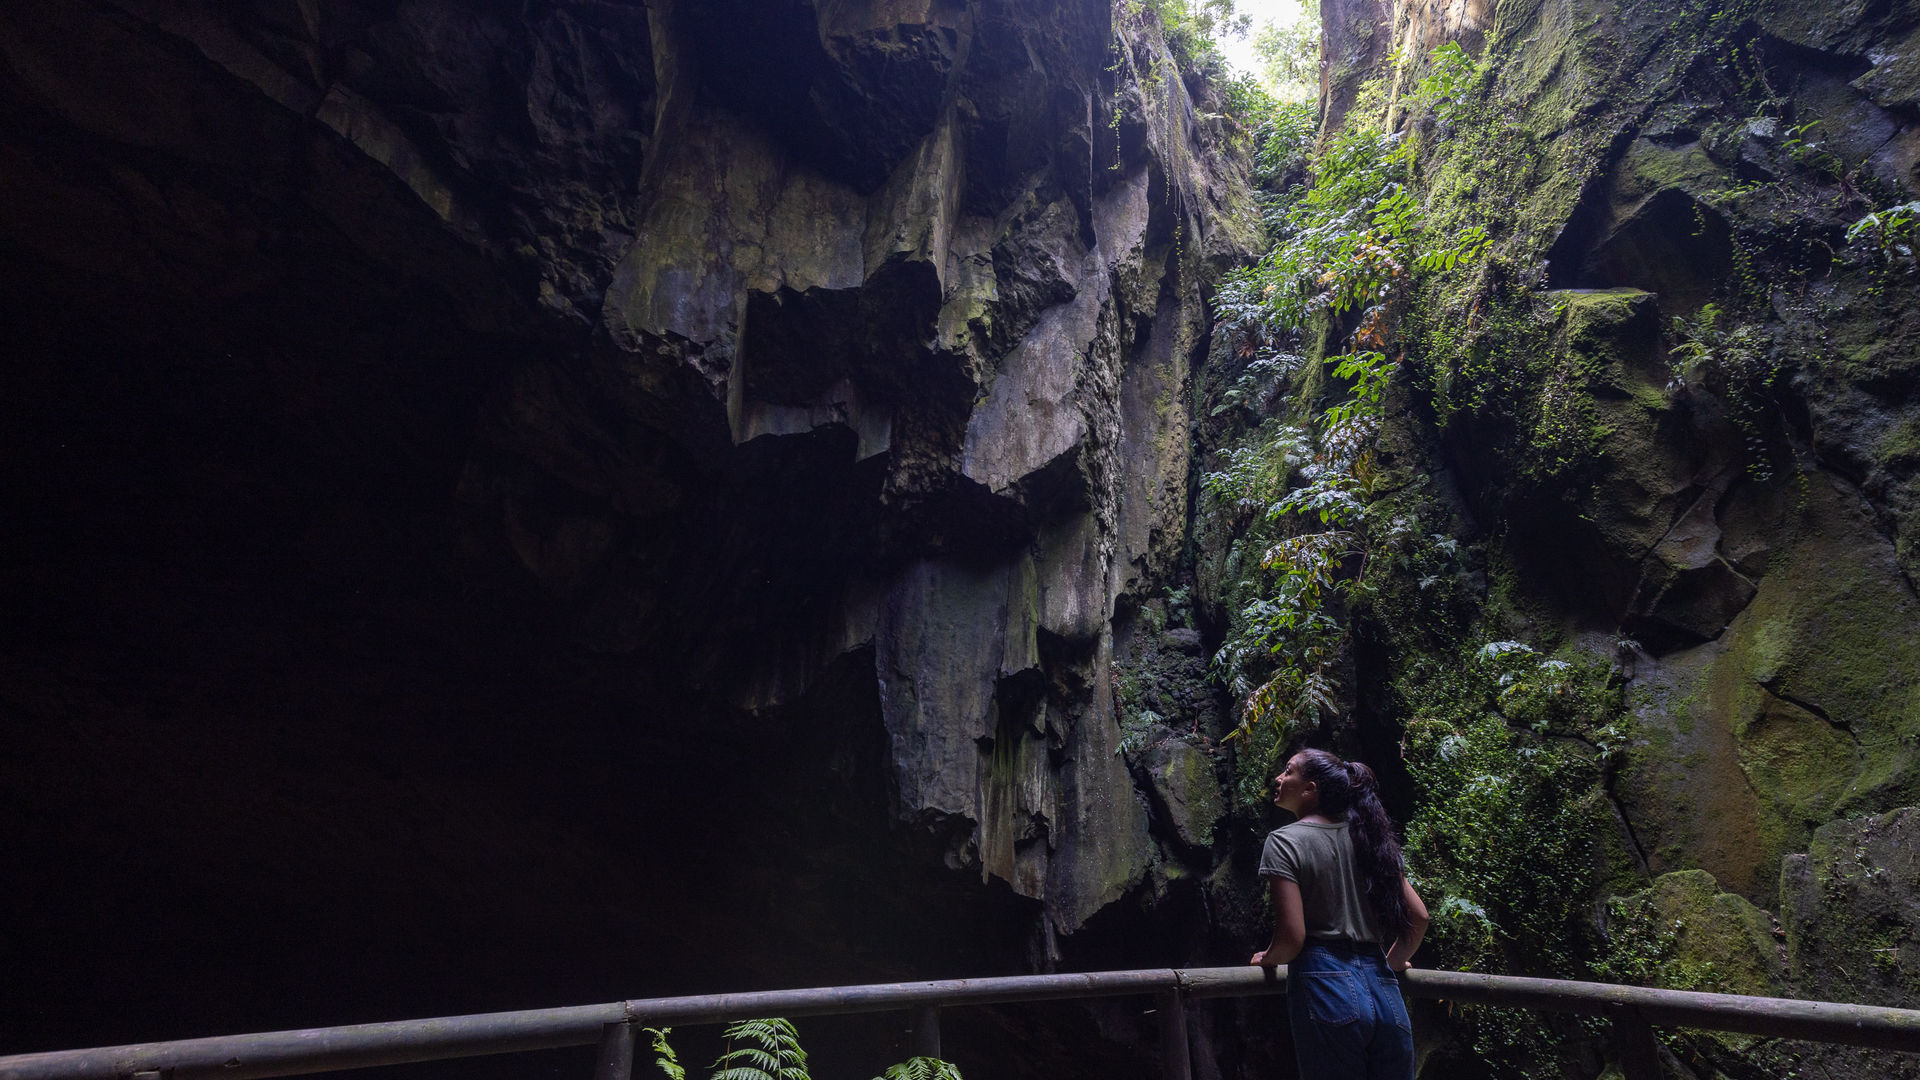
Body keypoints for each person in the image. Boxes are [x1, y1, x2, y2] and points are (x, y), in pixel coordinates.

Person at [1250, 748, 1430, 1079]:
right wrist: (1389, 964)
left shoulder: (1284, 841)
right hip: (1384, 992)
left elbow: (1292, 937)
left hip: (1326, 987)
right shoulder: (1371, 839)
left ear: (1310, 789)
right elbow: (1418, 918)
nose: (1278, 778)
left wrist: (1267, 958)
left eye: (1288, 771)